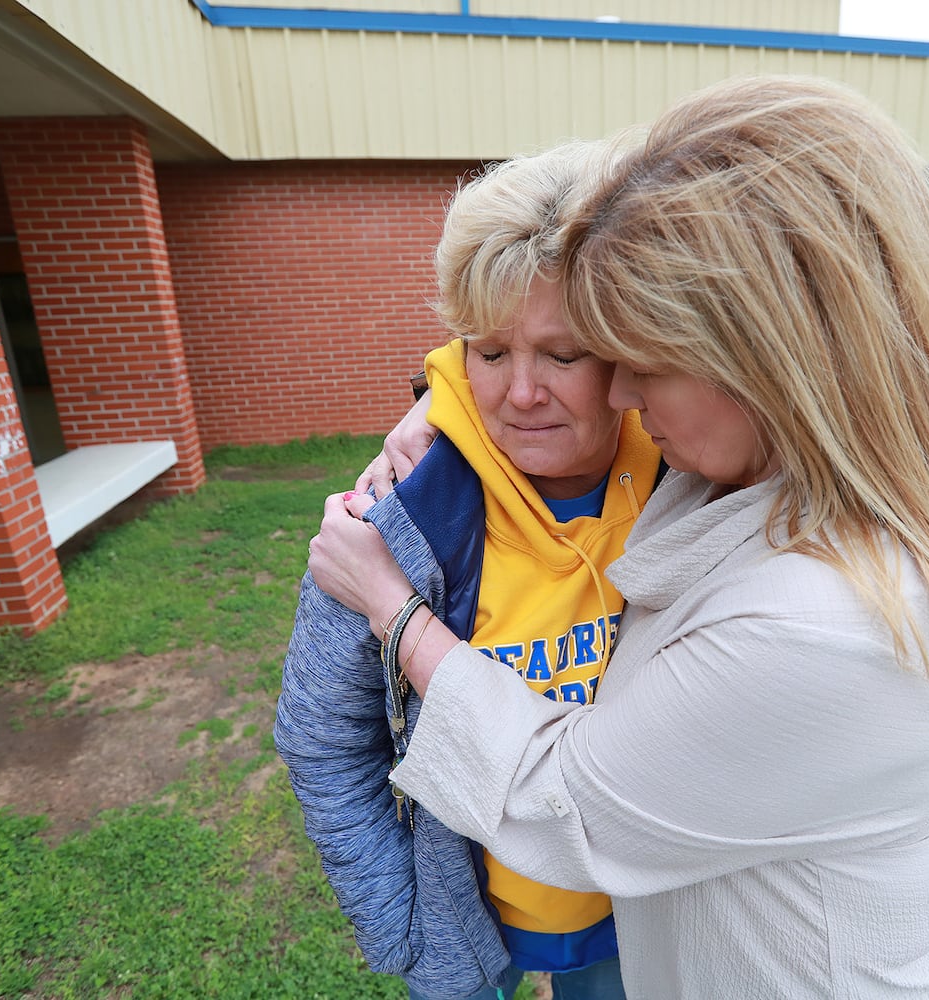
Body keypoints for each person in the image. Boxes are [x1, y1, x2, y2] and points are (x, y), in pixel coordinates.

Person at [306, 74, 929, 999]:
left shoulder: (817, 626)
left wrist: (394, 613)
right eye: (491, 356)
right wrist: (439, 415)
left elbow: (558, 804)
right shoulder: (753, 472)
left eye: (633, 360)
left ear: (768, 363)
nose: (626, 398)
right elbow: (323, 736)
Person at [273, 139, 662, 999]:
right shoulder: (403, 512)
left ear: (635, 350)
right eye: (489, 353)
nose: (519, 393)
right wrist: (405, 921)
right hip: (466, 913)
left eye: (562, 356)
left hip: (646, 908)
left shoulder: (688, 468)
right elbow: (321, 738)